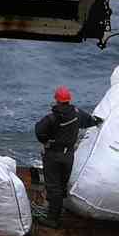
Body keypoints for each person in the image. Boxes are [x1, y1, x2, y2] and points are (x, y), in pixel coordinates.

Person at [35, 86, 99, 228]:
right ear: (69, 100)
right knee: (62, 184)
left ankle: (52, 219)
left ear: (56, 100)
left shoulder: (51, 118)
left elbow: (39, 131)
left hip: (53, 155)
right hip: (69, 156)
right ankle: (58, 210)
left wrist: (46, 141)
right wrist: (99, 121)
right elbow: (90, 121)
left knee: (53, 186)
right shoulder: (77, 113)